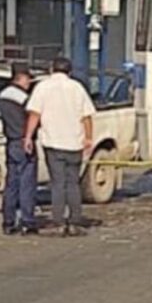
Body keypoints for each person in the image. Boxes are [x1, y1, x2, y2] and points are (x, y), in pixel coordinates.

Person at [24, 57, 95, 236]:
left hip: (53, 142)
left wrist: (28, 136)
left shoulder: (43, 87)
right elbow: (86, 116)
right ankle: (75, 221)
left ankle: (58, 221)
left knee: (57, 184)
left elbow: (35, 114)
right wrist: (88, 138)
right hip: (74, 142)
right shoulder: (77, 88)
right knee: (73, 183)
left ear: (51, 69)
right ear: (69, 71)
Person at [0, 63, 39, 236]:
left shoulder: (2, 95)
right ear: (21, 78)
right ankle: (27, 221)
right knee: (26, 183)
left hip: (11, 142)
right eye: (28, 78)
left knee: (11, 183)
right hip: (24, 141)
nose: (29, 82)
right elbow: (34, 117)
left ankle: (8, 221)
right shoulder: (24, 98)